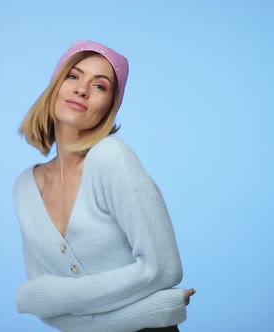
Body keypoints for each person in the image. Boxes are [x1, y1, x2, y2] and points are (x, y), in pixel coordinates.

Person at [13, 40, 195, 332]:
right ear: (54, 87)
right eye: (73, 76)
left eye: (100, 86)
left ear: (110, 106)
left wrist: (46, 298)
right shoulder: (24, 187)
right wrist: (153, 309)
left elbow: (164, 269)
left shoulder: (110, 158)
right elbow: (41, 303)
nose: (81, 89)